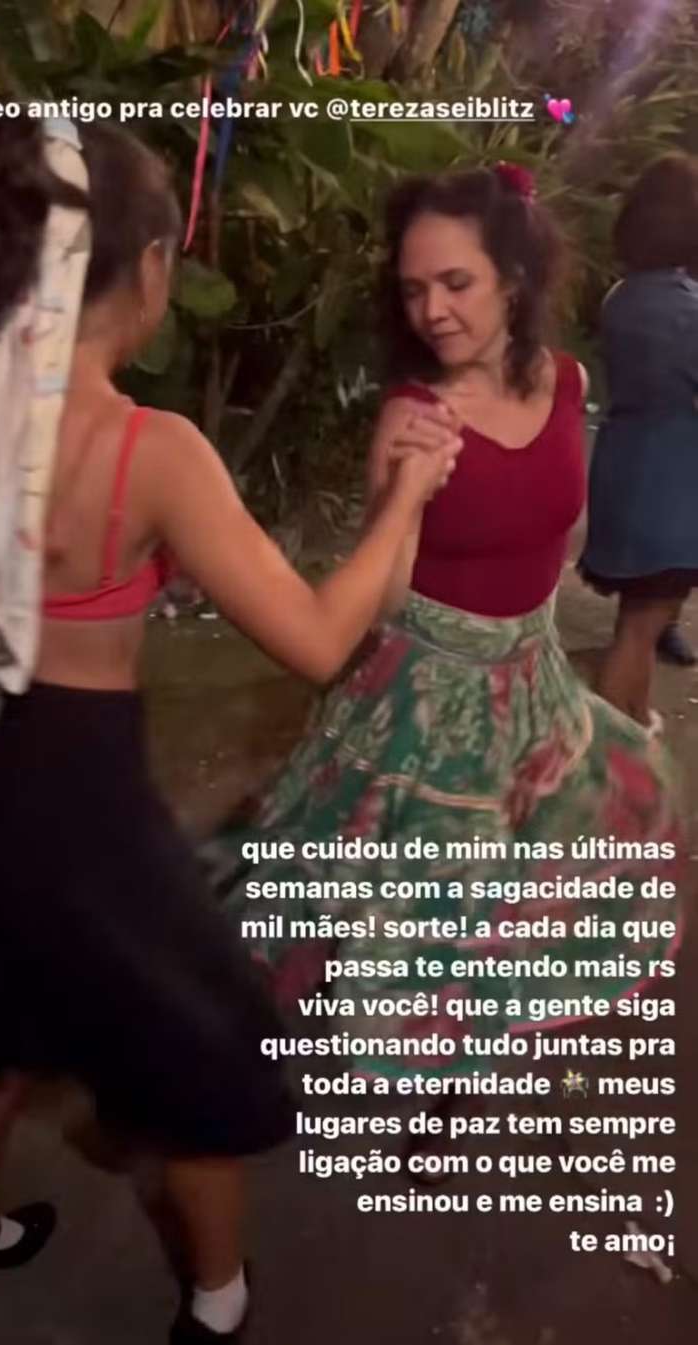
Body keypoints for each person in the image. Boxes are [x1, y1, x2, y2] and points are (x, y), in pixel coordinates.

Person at [0, 113, 461, 1343]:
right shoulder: (148, 450)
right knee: (192, 1055)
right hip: (80, 800)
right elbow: (318, 639)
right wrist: (402, 500)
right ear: (154, 264)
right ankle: (218, 1303)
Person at [206, 165, 684, 1168]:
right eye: (414, 288)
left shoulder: (568, 382)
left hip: (533, 683)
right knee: (413, 909)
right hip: (427, 696)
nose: (431, 309)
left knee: (522, 888)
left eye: (455, 282)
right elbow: (382, 596)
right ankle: (392, 1075)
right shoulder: (414, 412)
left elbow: (553, 530)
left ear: (515, 274)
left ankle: (455, 1071)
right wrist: (405, 496)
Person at [580, 154, 698, 723]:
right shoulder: (689, 310)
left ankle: (630, 732)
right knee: (636, 638)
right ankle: (609, 753)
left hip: (622, 470)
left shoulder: (620, 298)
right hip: (673, 490)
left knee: (636, 627)